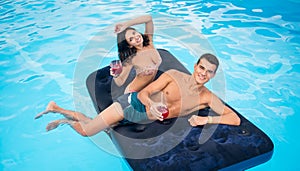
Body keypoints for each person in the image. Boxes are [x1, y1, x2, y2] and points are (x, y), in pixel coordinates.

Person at [35, 53, 241, 136]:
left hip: (144, 119)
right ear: (195, 66)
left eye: (209, 72)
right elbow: (144, 93)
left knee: (97, 124)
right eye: (202, 68)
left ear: (213, 75)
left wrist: (206, 119)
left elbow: (235, 119)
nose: (203, 74)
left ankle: (56, 108)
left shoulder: (207, 97)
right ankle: (63, 121)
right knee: (87, 131)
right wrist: (151, 106)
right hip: (131, 105)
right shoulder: (174, 75)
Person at [112, 14, 162, 93]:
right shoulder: (131, 59)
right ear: (129, 45)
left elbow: (148, 18)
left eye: (134, 33)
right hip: (134, 91)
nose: (136, 37)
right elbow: (120, 82)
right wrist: (116, 74)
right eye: (131, 39)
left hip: (151, 86)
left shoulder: (149, 42)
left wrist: (126, 24)